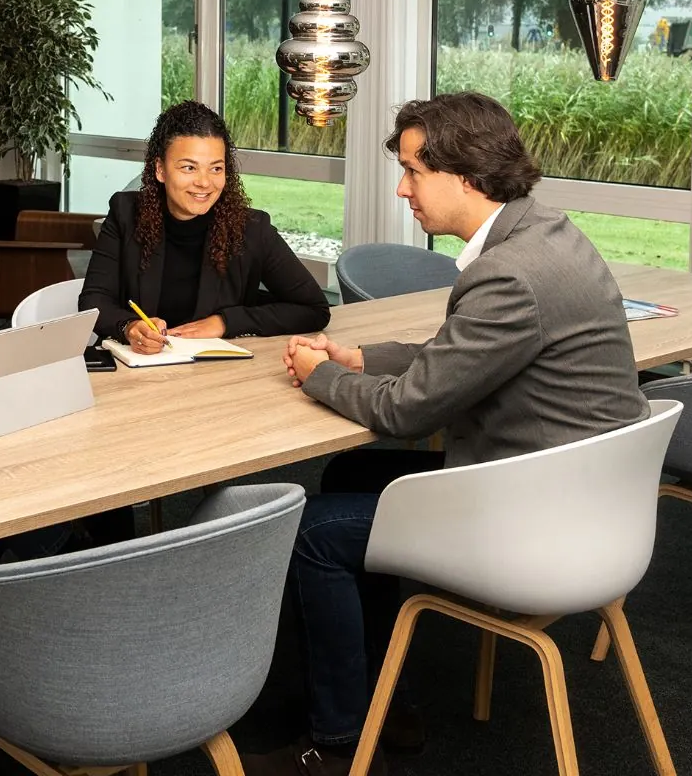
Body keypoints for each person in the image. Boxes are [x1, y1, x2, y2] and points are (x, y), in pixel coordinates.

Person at [244, 91, 650, 776]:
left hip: (536, 521)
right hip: (585, 497)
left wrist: (318, 374)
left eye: (412, 171)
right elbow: (461, 354)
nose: (402, 189)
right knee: (349, 478)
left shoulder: (507, 275)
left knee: (316, 531)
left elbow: (408, 413)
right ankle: (377, 702)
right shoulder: (547, 234)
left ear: (464, 174)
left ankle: (338, 744)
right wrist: (362, 358)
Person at [80, 99, 330, 354]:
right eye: (189, 167)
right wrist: (129, 326)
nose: (204, 182)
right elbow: (93, 300)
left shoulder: (251, 229)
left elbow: (313, 309)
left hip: (214, 375)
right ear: (160, 170)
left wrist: (226, 322)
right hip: (135, 371)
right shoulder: (126, 213)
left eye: (216, 169)